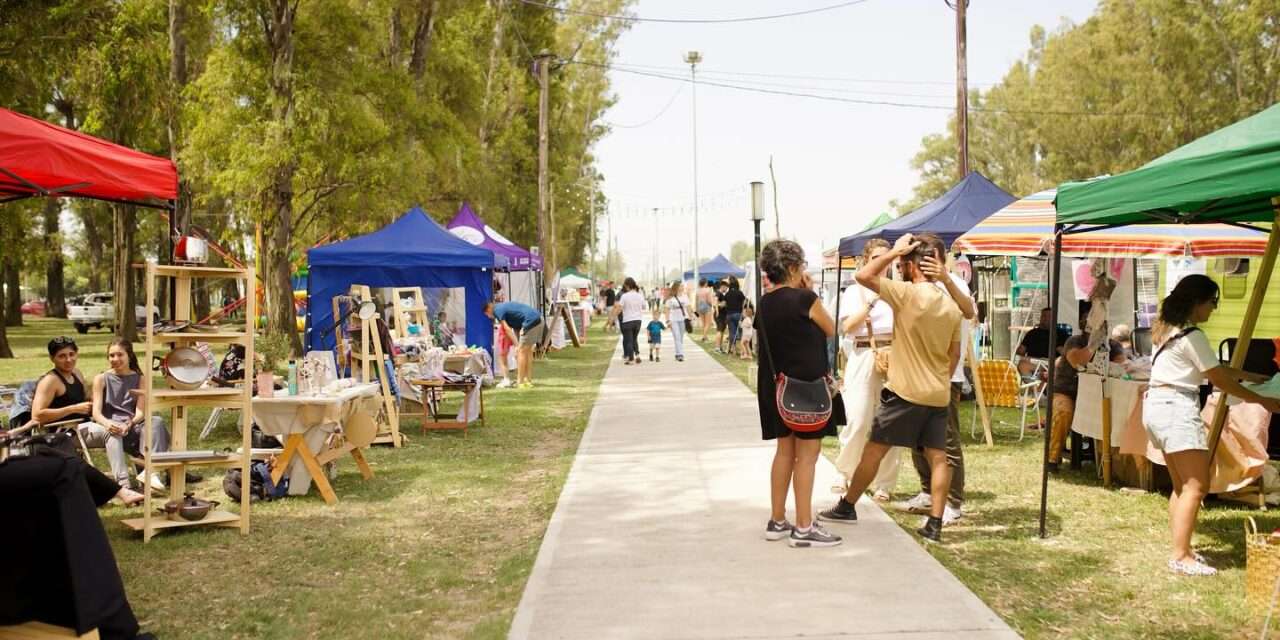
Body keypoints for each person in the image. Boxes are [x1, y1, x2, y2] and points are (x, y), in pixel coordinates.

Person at [820, 233, 963, 543]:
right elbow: (953, 356)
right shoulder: (951, 308)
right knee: (939, 458)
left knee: (874, 450)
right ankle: (935, 524)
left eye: (902, 264)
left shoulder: (904, 294)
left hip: (904, 392)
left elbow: (863, 275)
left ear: (912, 266)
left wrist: (894, 251)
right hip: (937, 393)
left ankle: (847, 506)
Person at [1144, 274, 1280, 576]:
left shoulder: (1166, 331)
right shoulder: (1192, 335)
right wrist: (1262, 399)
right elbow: (1217, 378)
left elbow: (1213, 368)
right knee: (1197, 485)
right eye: (1212, 303)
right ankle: (1181, 556)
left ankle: (1183, 550)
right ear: (1197, 302)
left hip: (1157, 406)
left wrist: (1250, 376)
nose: (1214, 309)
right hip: (1176, 409)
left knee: (1182, 486)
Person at [757, 239, 845, 548]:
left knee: (784, 452)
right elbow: (831, 328)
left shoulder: (764, 302)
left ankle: (778, 519)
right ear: (794, 267)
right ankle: (804, 526)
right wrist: (808, 290)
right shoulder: (805, 299)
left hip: (776, 388)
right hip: (806, 390)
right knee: (808, 456)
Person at [904, 251, 977, 524]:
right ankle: (927, 491)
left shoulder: (955, 284)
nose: (924, 263)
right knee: (918, 440)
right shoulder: (916, 286)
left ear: (941, 257)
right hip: (917, 378)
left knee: (945, 443)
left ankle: (953, 502)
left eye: (928, 256)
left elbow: (968, 312)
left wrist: (944, 278)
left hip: (946, 377)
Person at [833, 239, 903, 501]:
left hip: (894, 355)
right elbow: (847, 327)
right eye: (876, 257)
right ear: (866, 260)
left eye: (886, 257)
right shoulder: (855, 291)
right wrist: (872, 303)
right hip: (863, 353)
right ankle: (845, 471)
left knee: (891, 422)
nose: (882, 262)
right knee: (858, 418)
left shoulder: (898, 288)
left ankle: (884, 483)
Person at [84, 339, 173, 491]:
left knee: (156, 422)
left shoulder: (140, 379)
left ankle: (151, 472)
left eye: (120, 355)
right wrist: (108, 424)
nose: (115, 359)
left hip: (132, 425)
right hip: (112, 428)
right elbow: (96, 413)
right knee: (154, 432)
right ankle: (137, 478)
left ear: (129, 356)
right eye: (111, 355)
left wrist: (129, 423)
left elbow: (140, 412)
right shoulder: (101, 379)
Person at [1045, 334, 1094, 472]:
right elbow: (1076, 361)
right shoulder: (1075, 341)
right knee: (1064, 412)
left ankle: (1106, 462)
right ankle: (1052, 458)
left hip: (1094, 395)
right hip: (1066, 392)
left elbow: (1121, 361)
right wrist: (1093, 345)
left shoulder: (1111, 344)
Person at [31, 336, 94, 428]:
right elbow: (36, 416)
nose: (68, 360)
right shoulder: (50, 381)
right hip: (62, 433)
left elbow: (85, 398)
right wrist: (73, 409)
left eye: (71, 354)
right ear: (52, 358)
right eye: (62, 356)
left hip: (85, 426)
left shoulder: (76, 373)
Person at [484, 301, 545, 389]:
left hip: (531, 321)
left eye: (487, 314)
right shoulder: (505, 309)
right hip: (538, 319)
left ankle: (520, 382)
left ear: (489, 309)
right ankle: (527, 381)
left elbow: (507, 329)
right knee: (528, 351)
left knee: (521, 352)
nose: (489, 317)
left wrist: (517, 346)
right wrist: (518, 344)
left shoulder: (497, 310)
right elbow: (516, 327)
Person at [616, 278, 647, 365]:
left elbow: (620, 308)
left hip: (627, 321)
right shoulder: (639, 295)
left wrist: (614, 317)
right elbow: (644, 307)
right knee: (634, 339)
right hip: (638, 321)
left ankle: (631, 359)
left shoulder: (624, 296)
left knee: (629, 340)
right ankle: (637, 355)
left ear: (627, 285)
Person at [663, 281, 690, 362]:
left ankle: (677, 353)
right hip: (673, 319)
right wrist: (667, 320)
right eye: (681, 286)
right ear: (676, 287)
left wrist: (692, 317)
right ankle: (680, 354)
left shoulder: (685, 296)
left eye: (683, 286)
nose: (682, 287)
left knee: (680, 337)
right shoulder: (670, 298)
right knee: (677, 336)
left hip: (683, 319)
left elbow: (688, 307)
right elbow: (667, 310)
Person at [723, 276, 747, 355]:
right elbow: (744, 302)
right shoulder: (739, 293)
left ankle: (733, 349)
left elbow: (725, 304)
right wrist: (743, 310)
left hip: (729, 315)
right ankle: (742, 349)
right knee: (741, 331)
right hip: (738, 314)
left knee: (732, 332)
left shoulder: (727, 293)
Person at [714, 281, 730, 353]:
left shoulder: (722, 294)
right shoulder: (718, 293)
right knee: (719, 331)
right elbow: (715, 302)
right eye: (726, 287)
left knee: (722, 331)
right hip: (719, 315)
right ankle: (717, 347)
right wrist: (717, 310)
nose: (726, 289)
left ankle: (720, 347)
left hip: (723, 315)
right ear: (723, 286)